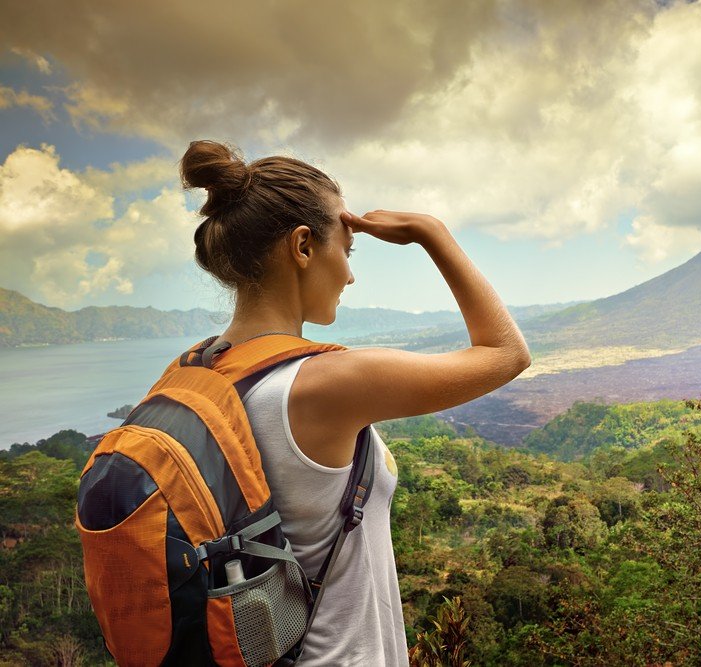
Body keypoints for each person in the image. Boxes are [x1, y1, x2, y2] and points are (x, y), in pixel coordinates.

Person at [179, 139, 531, 665]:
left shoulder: (200, 369)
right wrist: (432, 233)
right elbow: (507, 353)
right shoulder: (325, 382)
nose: (350, 273)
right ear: (302, 247)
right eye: (347, 250)